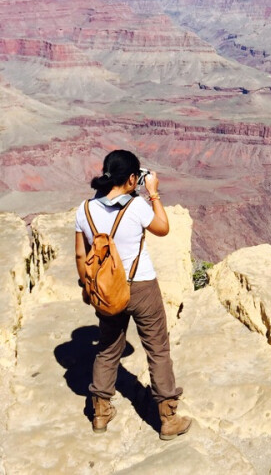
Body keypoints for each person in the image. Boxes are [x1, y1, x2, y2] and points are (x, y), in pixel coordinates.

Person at [74, 149, 192, 439]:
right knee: (157, 350)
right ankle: (168, 419)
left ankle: (100, 413)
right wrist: (153, 193)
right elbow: (163, 228)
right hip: (141, 287)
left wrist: (89, 290)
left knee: (107, 349)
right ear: (131, 179)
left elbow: (80, 255)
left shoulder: (84, 209)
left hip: (107, 291)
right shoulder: (137, 206)